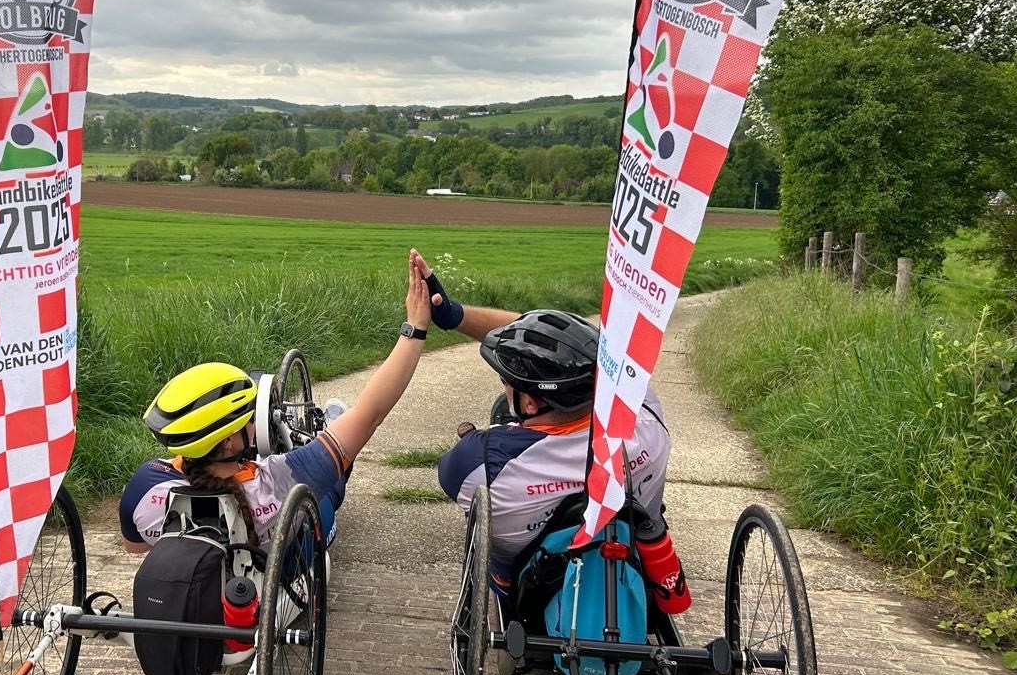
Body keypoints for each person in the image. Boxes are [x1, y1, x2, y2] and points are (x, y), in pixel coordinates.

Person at [118, 251, 433, 553]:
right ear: (228, 443)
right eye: (249, 419)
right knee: (326, 496)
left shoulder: (146, 483)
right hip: (278, 573)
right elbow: (369, 414)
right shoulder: (277, 481)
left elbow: (134, 547)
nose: (255, 422)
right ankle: (330, 426)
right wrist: (415, 329)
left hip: (195, 591)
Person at [416, 251, 673, 595]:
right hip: (632, 553)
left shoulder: (481, 463)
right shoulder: (647, 415)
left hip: (533, 586)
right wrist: (453, 315)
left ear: (532, 401)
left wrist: (453, 316)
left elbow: (448, 471)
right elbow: (585, 354)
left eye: (508, 381)